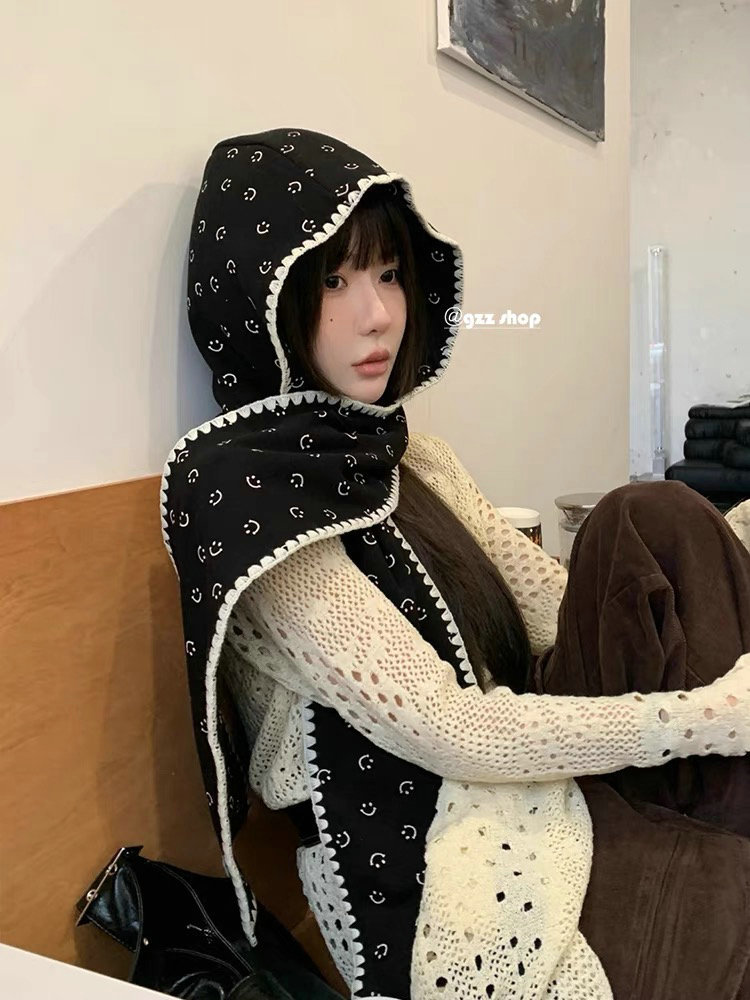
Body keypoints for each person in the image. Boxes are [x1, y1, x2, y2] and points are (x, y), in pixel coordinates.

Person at [161, 128, 750, 1000]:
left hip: (527, 766)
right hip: (437, 859)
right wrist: (709, 718)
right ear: (260, 293)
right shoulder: (249, 499)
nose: (377, 315)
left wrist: (711, 578)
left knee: (650, 514)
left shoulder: (409, 454)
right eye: (333, 282)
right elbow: (451, 730)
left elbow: (550, 602)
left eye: (389, 274)